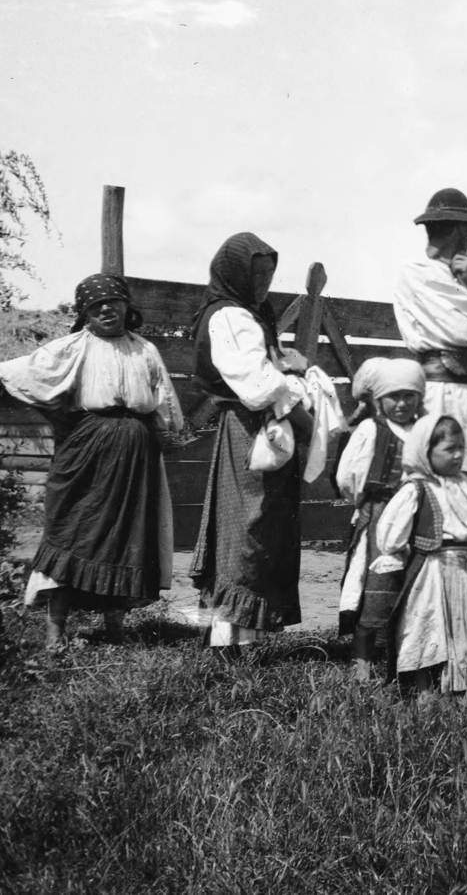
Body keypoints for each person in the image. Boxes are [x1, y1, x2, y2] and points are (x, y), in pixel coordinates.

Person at [0, 274, 183, 651]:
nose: (106, 310)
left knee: (125, 538)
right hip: (85, 452)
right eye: (96, 306)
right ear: (85, 314)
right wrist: (59, 418)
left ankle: (115, 630)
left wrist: (164, 437)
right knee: (70, 532)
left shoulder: (144, 349)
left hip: (135, 456)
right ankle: (55, 633)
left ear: (127, 308)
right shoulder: (72, 348)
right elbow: (20, 375)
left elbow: (164, 404)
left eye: (113, 302)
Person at [187, 233, 314, 654]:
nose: (263, 281)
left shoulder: (255, 313)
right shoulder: (229, 317)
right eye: (255, 273)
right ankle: (227, 643)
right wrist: (299, 405)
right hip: (249, 427)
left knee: (265, 525)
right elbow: (258, 385)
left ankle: (245, 639)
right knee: (248, 528)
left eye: (269, 273)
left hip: (265, 426)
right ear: (234, 273)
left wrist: (290, 374)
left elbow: (271, 369)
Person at [392, 189, 467, 495]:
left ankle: (461, 542)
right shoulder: (415, 275)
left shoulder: (466, 280)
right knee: (430, 483)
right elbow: (465, 332)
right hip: (436, 392)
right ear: (458, 231)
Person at [376, 413, 467, 694]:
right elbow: (391, 529)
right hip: (431, 571)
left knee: (463, 628)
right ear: (425, 451)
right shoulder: (416, 488)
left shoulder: (462, 486)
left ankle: (459, 685)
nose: (458, 455)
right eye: (449, 449)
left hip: (459, 572)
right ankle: (423, 689)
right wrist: (396, 553)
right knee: (427, 626)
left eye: (462, 448)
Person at [336, 356, 427, 679]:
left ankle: (405, 658)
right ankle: (362, 660)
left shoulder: (426, 430)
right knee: (374, 584)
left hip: (418, 521)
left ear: (420, 397)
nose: (401, 404)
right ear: (379, 399)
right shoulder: (370, 430)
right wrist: (364, 502)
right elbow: (347, 476)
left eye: (409, 396)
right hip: (379, 517)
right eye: (394, 396)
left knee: (412, 586)